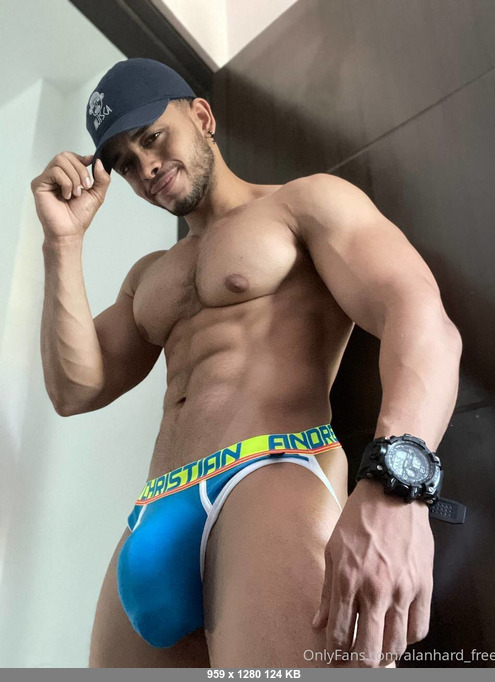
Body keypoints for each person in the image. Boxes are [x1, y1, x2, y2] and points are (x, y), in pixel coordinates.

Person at [31, 58, 463, 669]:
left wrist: (398, 488)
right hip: (155, 508)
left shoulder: (302, 204)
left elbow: (418, 317)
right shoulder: (147, 277)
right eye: (125, 162)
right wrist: (62, 242)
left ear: (202, 116)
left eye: (153, 137)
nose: (145, 167)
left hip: (270, 478)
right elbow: (75, 389)